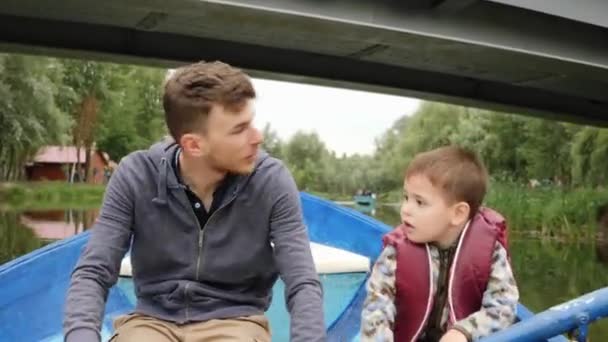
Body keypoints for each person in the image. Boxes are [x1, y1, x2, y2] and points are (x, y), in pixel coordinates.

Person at [63, 61, 325, 342]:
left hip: (236, 320)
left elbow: (303, 282)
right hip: (152, 321)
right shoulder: (135, 175)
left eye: (252, 122)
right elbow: (93, 272)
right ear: (194, 145)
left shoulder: (271, 181)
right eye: (239, 129)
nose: (257, 137)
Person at [360, 145, 519, 342]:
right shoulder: (395, 252)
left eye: (419, 202)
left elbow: (503, 306)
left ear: (458, 213)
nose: (406, 210)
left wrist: (464, 332)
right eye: (406, 197)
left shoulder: (490, 252)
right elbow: (376, 310)